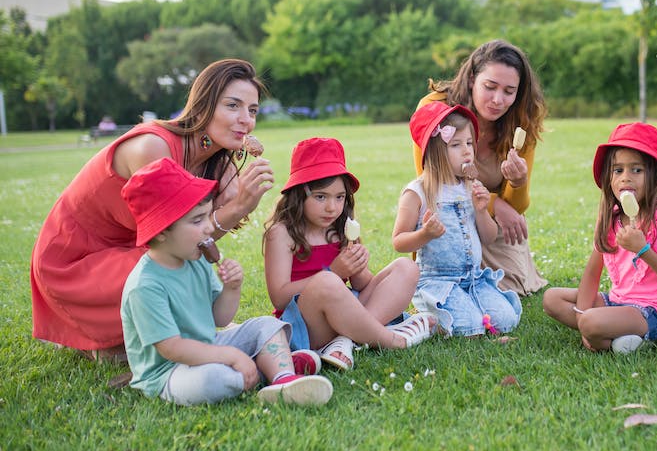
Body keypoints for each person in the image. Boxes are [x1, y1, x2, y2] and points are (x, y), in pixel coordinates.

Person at [31, 58, 275, 362]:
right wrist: (239, 207)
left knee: (183, 263)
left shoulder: (220, 165)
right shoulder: (154, 148)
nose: (245, 120)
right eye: (233, 106)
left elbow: (199, 240)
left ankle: (158, 333)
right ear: (203, 105)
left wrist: (240, 202)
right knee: (172, 262)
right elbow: (176, 241)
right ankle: (108, 338)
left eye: (252, 110)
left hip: (129, 252)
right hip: (74, 262)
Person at [120, 157, 332, 406]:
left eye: (207, 216)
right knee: (213, 379)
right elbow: (172, 348)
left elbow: (219, 319)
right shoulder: (146, 285)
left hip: (209, 345)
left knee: (266, 325)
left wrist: (232, 289)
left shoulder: (195, 259)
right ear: (163, 230)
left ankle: (284, 377)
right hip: (170, 372)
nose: (209, 228)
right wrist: (229, 355)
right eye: (197, 220)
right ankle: (265, 365)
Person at [263, 137, 437, 371]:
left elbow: (362, 285)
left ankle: (347, 340)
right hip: (306, 324)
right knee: (326, 282)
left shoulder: (340, 229)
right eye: (320, 196)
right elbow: (279, 297)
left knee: (407, 268)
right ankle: (390, 340)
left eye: (339, 197)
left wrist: (357, 269)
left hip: (343, 313)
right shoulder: (282, 233)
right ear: (298, 194)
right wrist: (334, 272)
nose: (331, 207)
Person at [542, 123, 657, 354]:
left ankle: (609, 335)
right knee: (552, 299)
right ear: (609, 178)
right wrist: (582, 315)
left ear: (654, 175)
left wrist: (643, 250)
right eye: (618, 170)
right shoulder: (611, 220)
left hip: (652, 313)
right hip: (616, 302)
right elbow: (592, 274)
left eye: (636, 170)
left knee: (592, 321)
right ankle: (615, 339)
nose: (626, 178)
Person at [415, 39, 548, 295]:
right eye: (490, 86)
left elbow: (516, 207)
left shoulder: (521, 121)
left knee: (510, 287)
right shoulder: (435, 107)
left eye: (509, 91)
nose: (498, 99)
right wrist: (494, 201)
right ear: (472, 79)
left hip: (491, 223)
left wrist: (518, 183)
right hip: (446, 214)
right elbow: (429, 179)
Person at [394, 101, 522, 337]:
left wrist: (482, 210)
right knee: (469, 326)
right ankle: (428, 312)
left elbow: (489, 237)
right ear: (434, 151)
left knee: (505, 320)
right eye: (456, 145)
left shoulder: (471, 186)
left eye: (469, 143)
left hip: (474, 279)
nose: (467, 151)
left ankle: (466, 306)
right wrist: (425, 234)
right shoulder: (418, 192)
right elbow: (399, 242)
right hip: (438, 281)